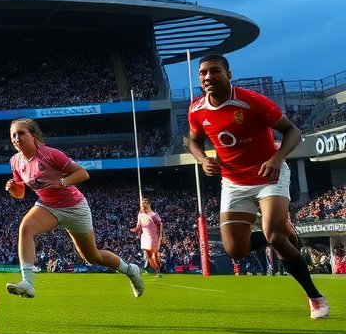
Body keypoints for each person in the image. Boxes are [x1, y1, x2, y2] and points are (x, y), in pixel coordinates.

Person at [187, 54, 328, 319]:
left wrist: (277, 157)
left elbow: (292, 131)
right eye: (203, 73)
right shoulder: (196, 110)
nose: (208, 77)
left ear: (229, 75)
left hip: (268, 177)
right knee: (235, 251)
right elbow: (193, 141)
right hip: (233, 183)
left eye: (215, 71)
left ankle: (315, 297)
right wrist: (203, 159)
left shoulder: (251, 101)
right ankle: (283, 231)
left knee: (274, 236)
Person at [2, 118, 145, 299]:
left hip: (74, 207)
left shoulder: (50, 154)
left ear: (34, 135)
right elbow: (20, 193)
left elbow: (82, 173)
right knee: (26, 228)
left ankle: (130, 270)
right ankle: (28, 283)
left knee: (92, 257)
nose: (16, 138)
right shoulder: (15, 161)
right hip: (48, 206)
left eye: (21, 133)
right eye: (13, 135)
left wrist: (61, 182)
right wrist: (13, 188)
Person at [131, 198, 164, 277]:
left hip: (153, 237)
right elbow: (138, 226)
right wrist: (134, 230)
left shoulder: (153, 215)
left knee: (153, 254)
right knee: (149, 256)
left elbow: (160, 224)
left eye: (145, 203)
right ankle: (156, 271)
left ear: (149, 204)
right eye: (143, 203)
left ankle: (158, 269)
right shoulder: (140, 215)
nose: (143, 204)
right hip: (144, 237)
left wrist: (161, 236)